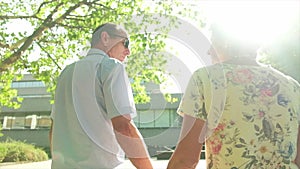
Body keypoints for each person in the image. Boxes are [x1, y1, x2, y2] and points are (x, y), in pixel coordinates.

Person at [167, 23, 300, 169]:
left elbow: (185, 160)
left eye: (213, 42)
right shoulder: (292, 86)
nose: (209, 51)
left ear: (226, 43)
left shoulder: (206, 79)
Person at [49, 23, 153, 169]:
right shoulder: (111, 66)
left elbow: (54, 128)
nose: (128, 51)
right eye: (125, 43)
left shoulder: (66, 73)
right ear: (105, 38)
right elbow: (123, 127)